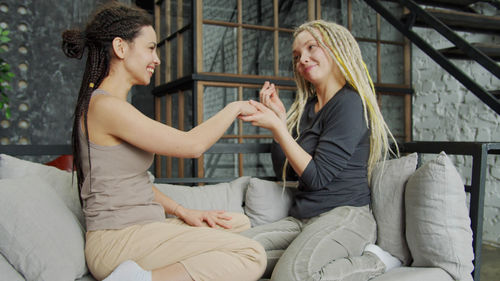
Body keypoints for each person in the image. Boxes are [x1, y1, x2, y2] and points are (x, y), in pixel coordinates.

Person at [61, 2, 266, 281]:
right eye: (150, 48)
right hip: (118, 241)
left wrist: (185, 212)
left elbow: (135, 182)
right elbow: (192, 145)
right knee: (252, 256)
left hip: (143, 229)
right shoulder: (105, 107)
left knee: (237, 222)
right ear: (121, 48)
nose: (157, 59)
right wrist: (236, 107)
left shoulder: (113, 106)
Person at [239, 20, 402, 281]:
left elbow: (317, 176)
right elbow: (289, 173)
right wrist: (279, 122)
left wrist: (279, 129)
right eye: (296, 56)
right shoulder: (309, 107)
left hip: (345, 215)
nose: (302, 59)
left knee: (289, 277)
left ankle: (377, 261)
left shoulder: (349, 103)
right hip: (303, 218)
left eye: (311, 47)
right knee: (233, 254)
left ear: (337, 49)